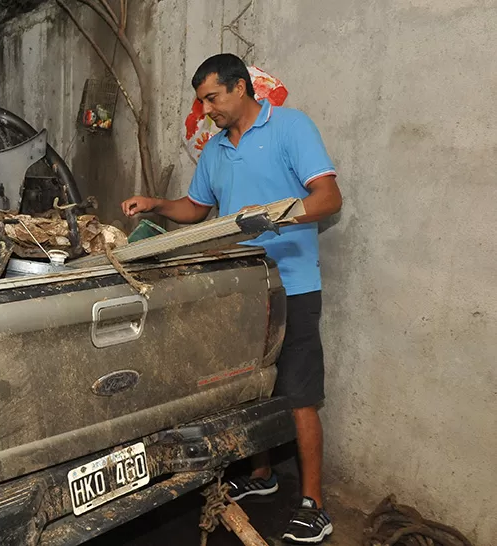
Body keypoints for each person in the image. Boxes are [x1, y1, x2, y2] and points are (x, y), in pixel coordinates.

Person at [121, 53, 342, 544]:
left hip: (293, 286)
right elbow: (197, 208)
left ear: (240, 88)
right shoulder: (217, 150)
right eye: (201, 102)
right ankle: (261, 477)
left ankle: (314, 504)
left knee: (300, 394)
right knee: (248, 386)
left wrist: (277, 217)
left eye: (211, 98)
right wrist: (156, 203)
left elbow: (329, 198)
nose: (206, 111)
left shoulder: (289, 127)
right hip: (242, 288)